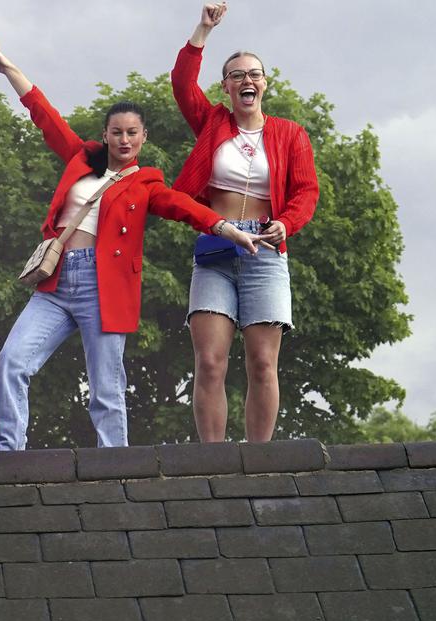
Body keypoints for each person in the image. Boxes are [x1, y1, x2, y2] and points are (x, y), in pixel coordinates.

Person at [0, 41, 263, 450]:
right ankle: (7, 450)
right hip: (56, 283)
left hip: (104, 286)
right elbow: (42, 113)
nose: (124, 139)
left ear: (143, 137)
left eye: (132, 132)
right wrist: (8, 67)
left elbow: (184, 207)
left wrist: (228, 228)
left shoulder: (145, 182)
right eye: (117, 132)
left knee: (107, 387)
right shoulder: (83, 158)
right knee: (11, 361)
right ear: (105, 135)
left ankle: (115, 465)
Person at [172, 2, 320, 442]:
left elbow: (306, 191)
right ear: (226, 87)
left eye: (253, 73)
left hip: (267, 250)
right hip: (217, 247)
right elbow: (181, 84)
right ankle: (214, 462)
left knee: (261, 362)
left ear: (265, 84)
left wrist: (287, 224)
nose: (246, 80)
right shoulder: (212, 122)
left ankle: (259, 462)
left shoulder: (290, 134)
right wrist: (203, 29)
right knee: (211, 362)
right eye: (237, 75)